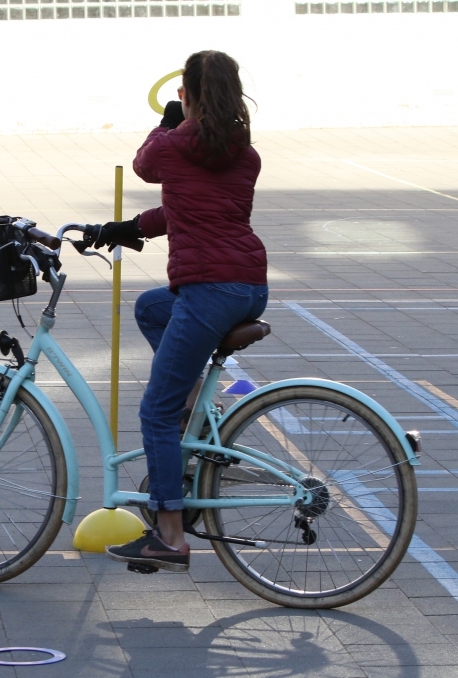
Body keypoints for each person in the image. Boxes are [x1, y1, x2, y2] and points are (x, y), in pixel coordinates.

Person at [98, 50, 268, 573]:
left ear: (187, 93)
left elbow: (147, 165)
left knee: (153, 410)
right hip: (248, 285)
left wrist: (165, 123)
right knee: (151, 307)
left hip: (208, 292)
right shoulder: (246, 153)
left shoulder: (173, 145)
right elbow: (193, 208)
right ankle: (198, 401)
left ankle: (169, 537)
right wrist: (131, 228)